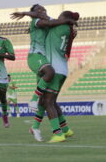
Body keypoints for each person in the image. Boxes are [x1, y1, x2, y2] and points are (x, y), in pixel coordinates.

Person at [11, 4, 76, 112]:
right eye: (39, 10)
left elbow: (54, 23)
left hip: (44, 59)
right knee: (50, 72)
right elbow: (50, 21)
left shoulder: (47, 23)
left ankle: (35, 128)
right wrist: (24, 13)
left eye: (43, 8)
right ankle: (32, 100)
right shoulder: (36, 21)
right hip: (35, 56)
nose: (42, 10)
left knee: (44, 99)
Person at [29, 11, 79, 142]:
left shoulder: (58, 26)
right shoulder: (69, 30)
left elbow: (48, 20)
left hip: (54, 69)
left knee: (47, 102)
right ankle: (66, 130)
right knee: (52, 101)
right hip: (63, 70)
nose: (58, 18)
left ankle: (58, 133)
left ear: (64, 19)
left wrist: (29, 16)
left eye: (60, 17)